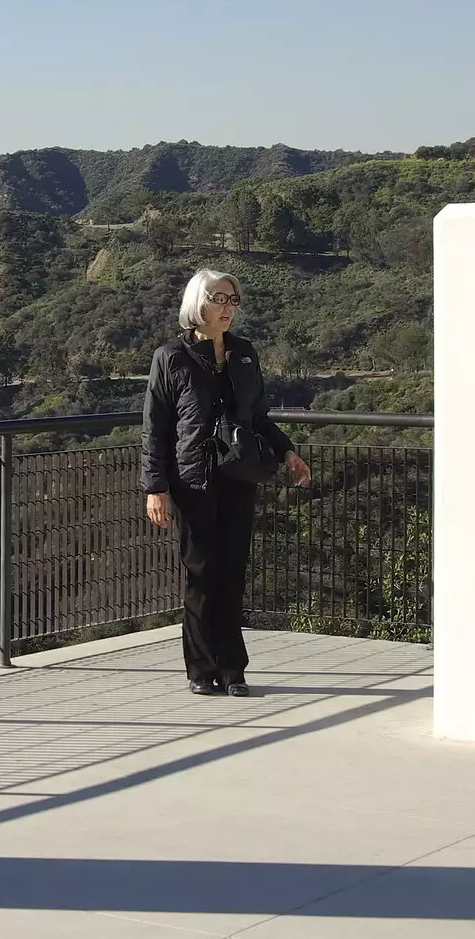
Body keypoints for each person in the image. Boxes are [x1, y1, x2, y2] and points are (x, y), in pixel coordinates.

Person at [140, 269, 311, 696]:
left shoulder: (245, 354)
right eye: (219, 298)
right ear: (198, 303)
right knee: (201, 575)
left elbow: (258, 418)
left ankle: (233, 670)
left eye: (233, 300)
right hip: (192, 480)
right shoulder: (171, 357)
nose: (228, 307)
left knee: (232, 573)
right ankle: (201, 669)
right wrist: (155, 487)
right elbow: (155, 427)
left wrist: (288, 451)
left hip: (238, 475)